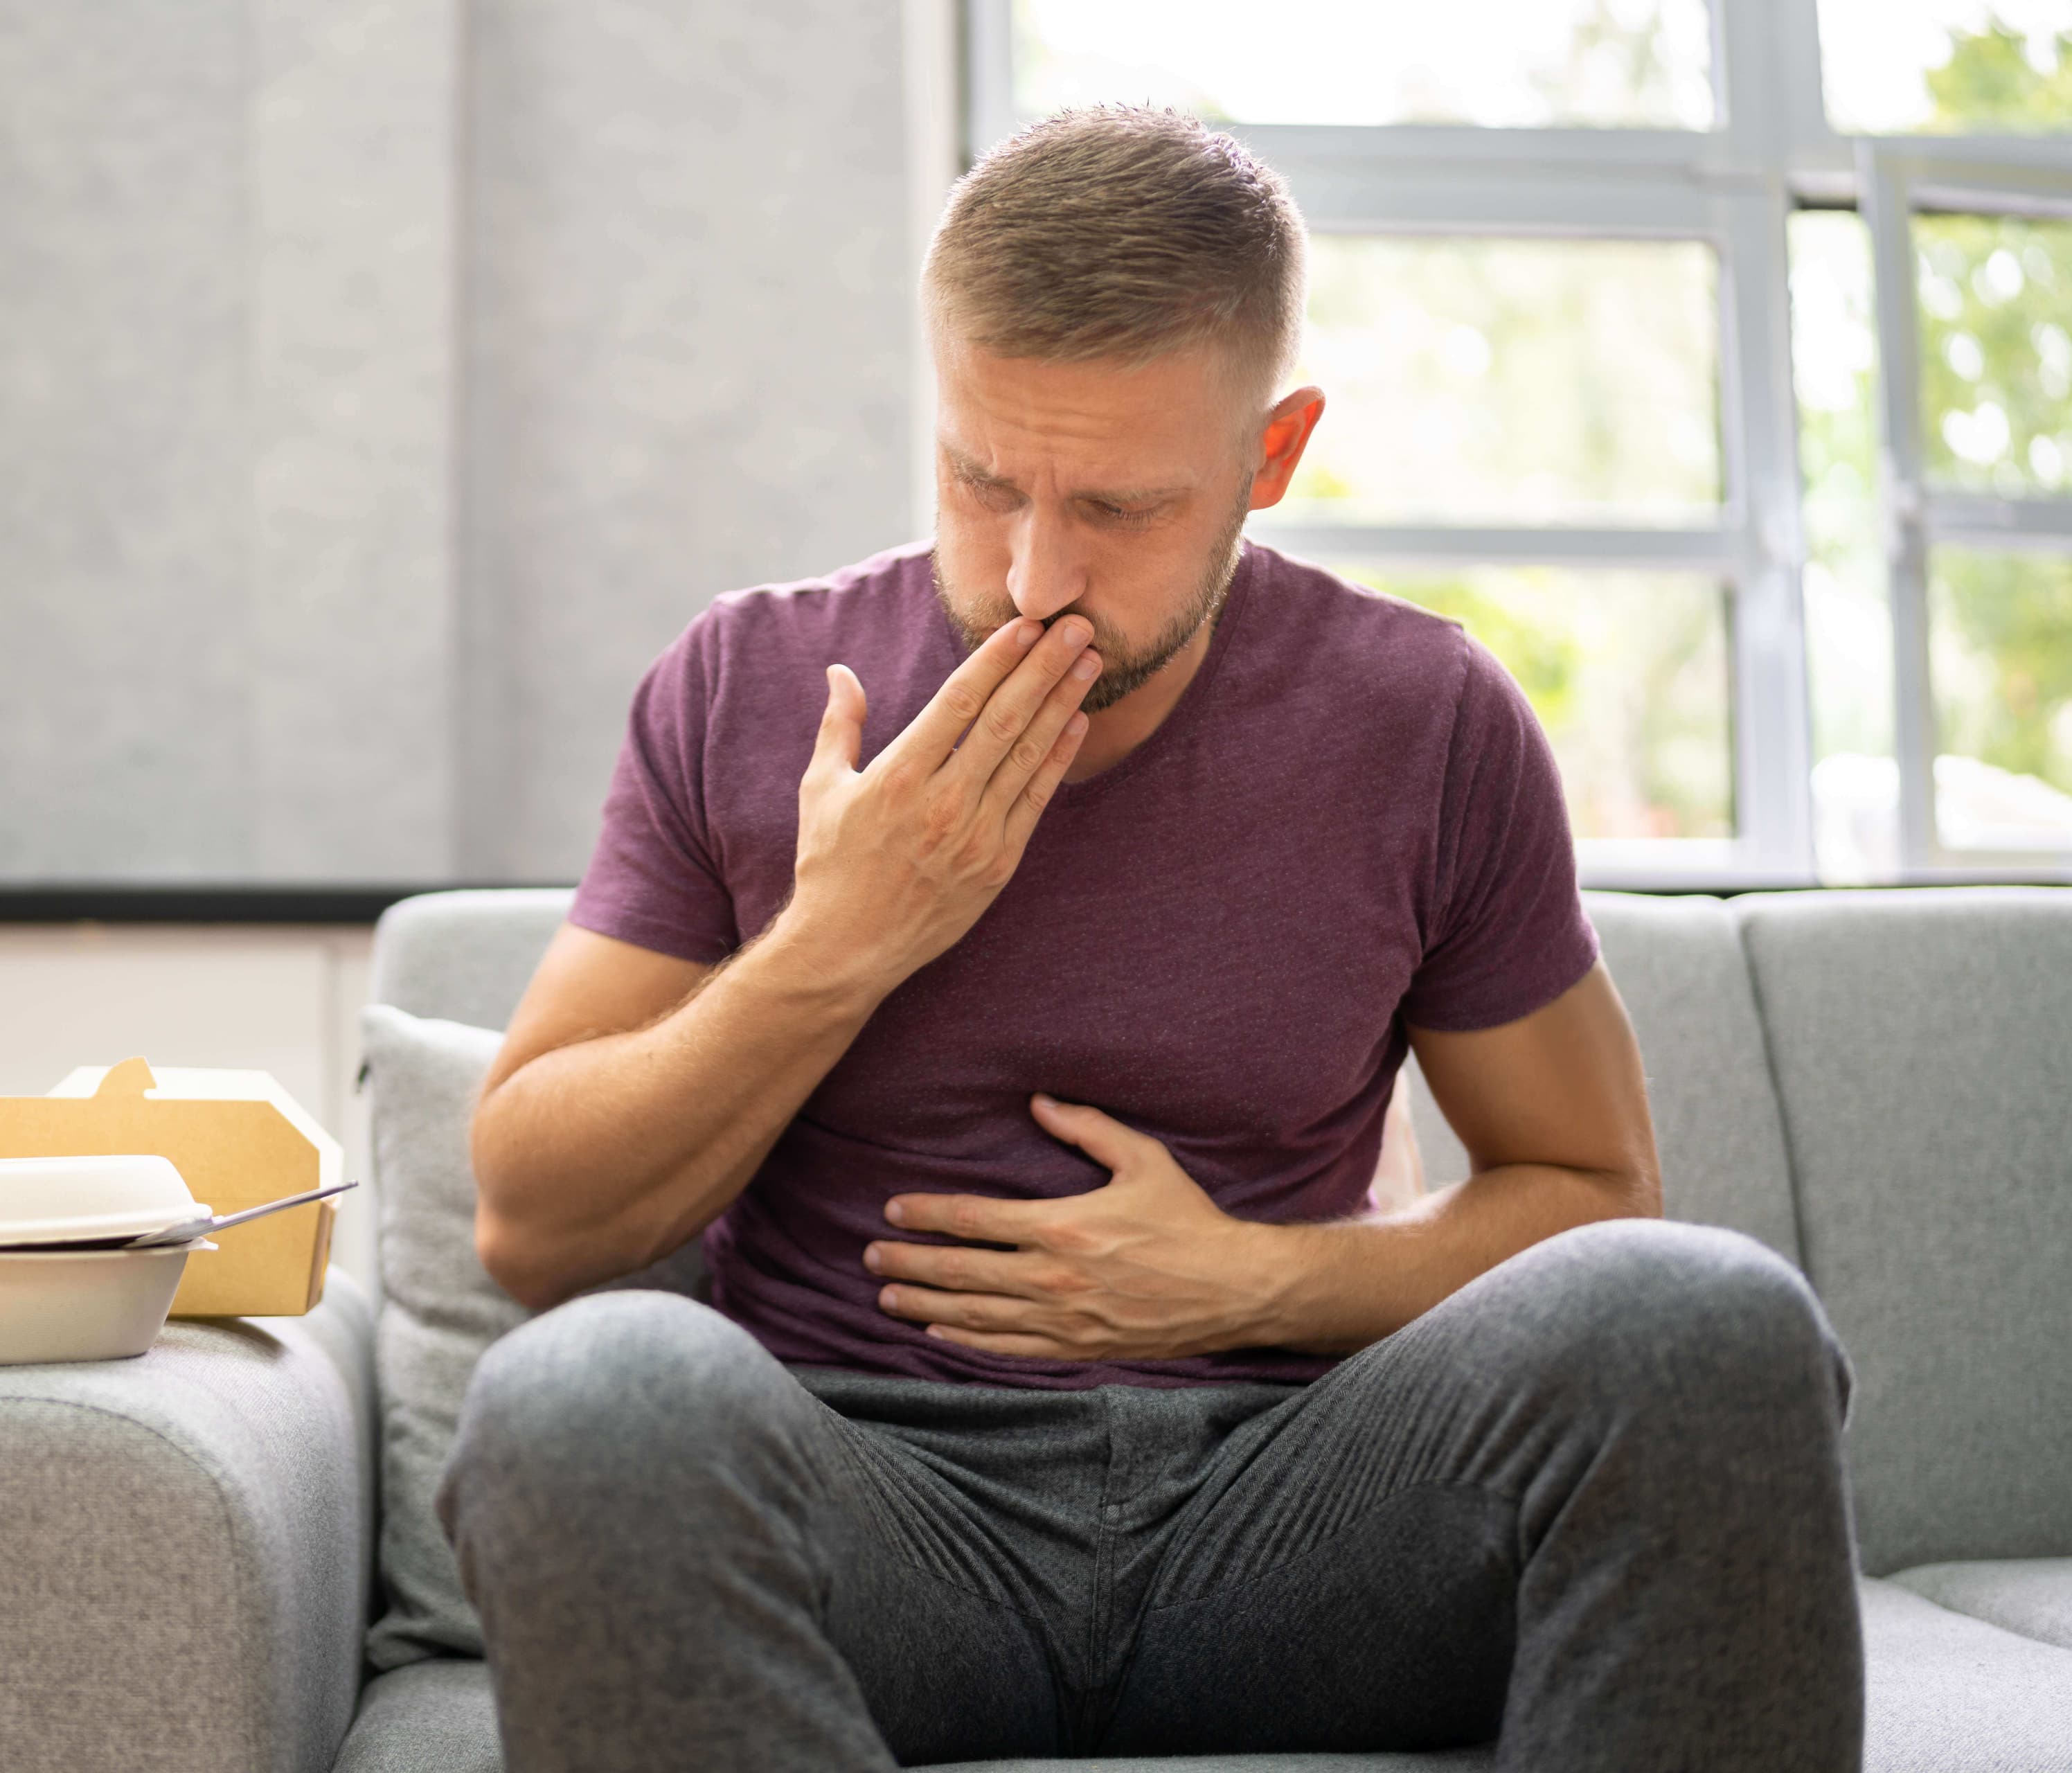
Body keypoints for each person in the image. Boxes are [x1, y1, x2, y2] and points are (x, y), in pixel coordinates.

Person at [442, 106, 1861, 1771]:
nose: (1034, 576)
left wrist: (1256, 1277)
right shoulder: (747, 683)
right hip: (877, 1509)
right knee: (581, 1398)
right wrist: (844, 939)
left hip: (1297, 1506)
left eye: (1117, 506)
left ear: (1274, 455)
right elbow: (531, 1228)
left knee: (1708, 1320)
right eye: (985, 480)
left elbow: (1597, 1189)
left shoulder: (1426, 720)